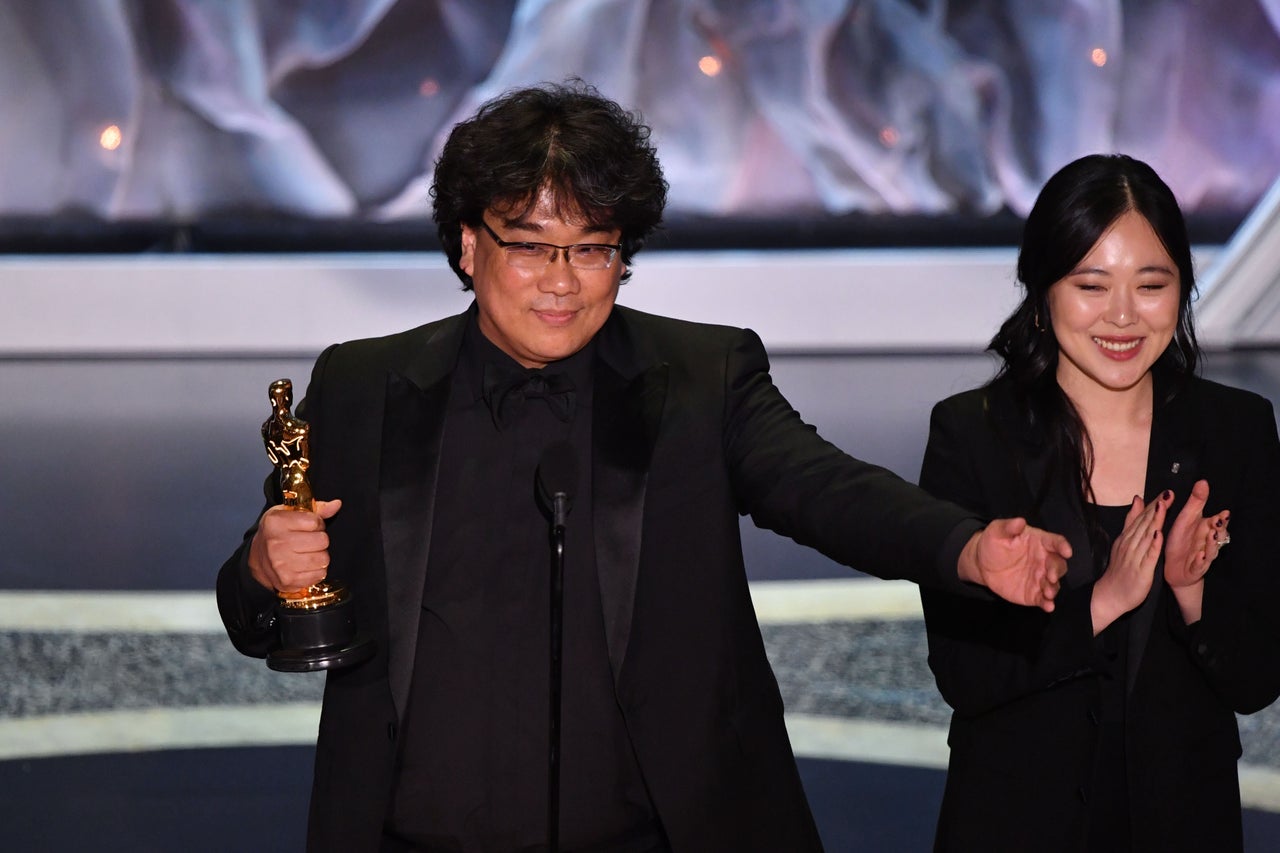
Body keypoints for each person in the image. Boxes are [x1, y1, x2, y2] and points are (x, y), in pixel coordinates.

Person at [217, 80, 1070, 853]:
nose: (564, 282)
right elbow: (261, 592)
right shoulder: (363, 386)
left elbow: (827, 488)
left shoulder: (702, 379)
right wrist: (262, 566)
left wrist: (962, 547)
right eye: (530, 246)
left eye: (593, 249)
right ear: (469, 247)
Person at [917, 153, 1280, 852]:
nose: (1122, 315)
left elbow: (1257, 676)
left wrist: (1190, 592)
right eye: (1091, 284)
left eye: (1151, 284)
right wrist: (1102, 602)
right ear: (1042, 288)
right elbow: (964, 674)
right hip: (1016, 820)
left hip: (1181, 819)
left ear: (1183, 289)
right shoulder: (973, 433)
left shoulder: (1235, 430)